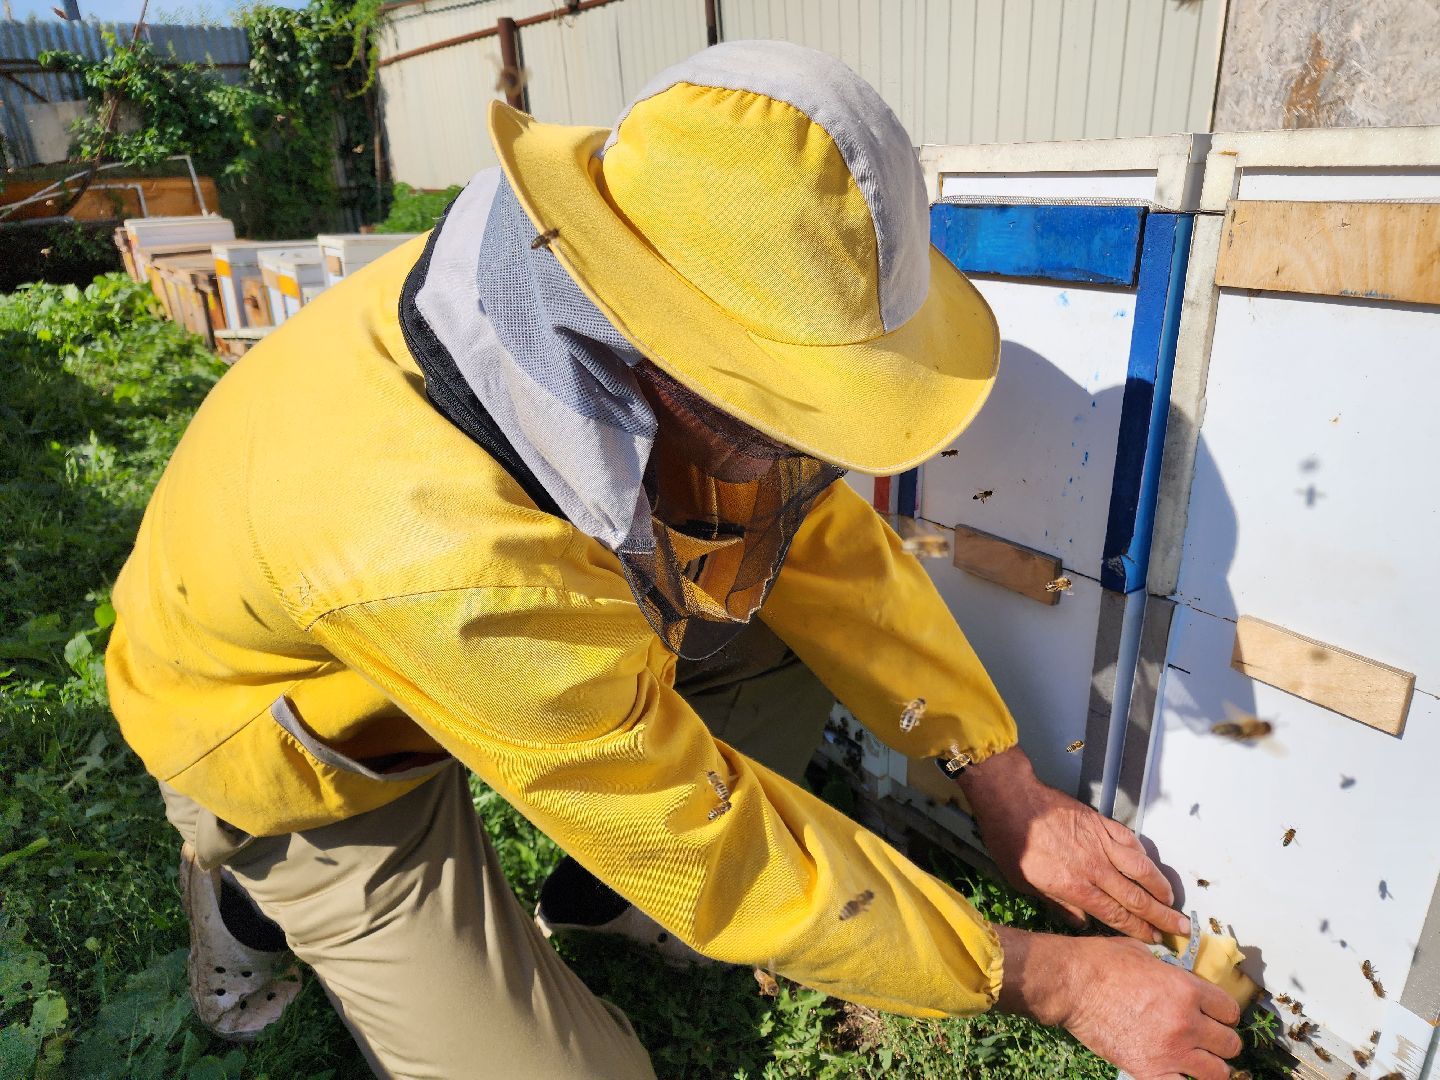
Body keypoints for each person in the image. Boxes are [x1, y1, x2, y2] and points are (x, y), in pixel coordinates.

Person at [106, 39, 1243, 1080]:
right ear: (659, 344)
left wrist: (1002, 781)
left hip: (467, 639)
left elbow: (825, 551)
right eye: (794, 417)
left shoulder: (588, 310)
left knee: (779, 644)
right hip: (311, 749)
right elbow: (714, 849)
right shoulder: (453, 553)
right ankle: (247, 895)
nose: (812, 461)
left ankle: (608, 908)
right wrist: (1048, 977)